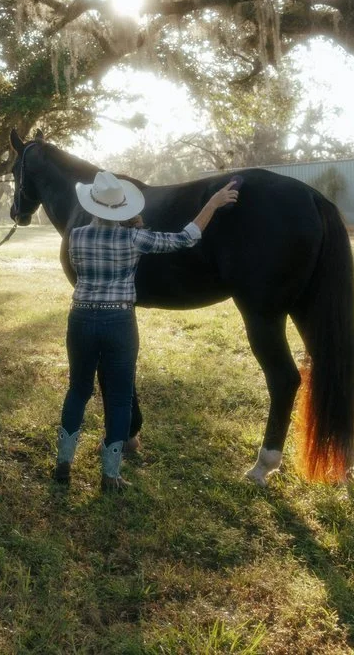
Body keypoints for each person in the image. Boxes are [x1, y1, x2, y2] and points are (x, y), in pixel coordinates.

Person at [54, 171, 239, 491]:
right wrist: (212, 202)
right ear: (121, 208)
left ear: (93, 205)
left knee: (78, 391)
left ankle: (63, 463)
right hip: (118, 321)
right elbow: (186, 237)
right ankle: (110, 476)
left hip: (81, 318)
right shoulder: (134, 239)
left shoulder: (77, 236)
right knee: (120, 396)